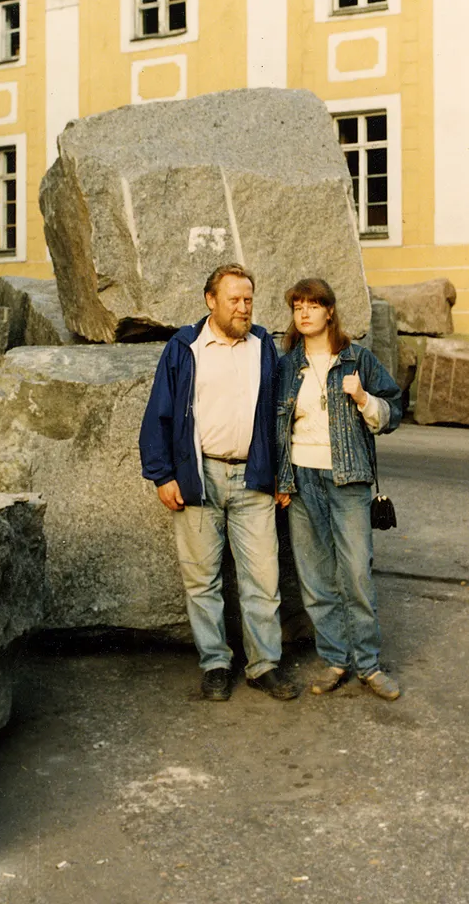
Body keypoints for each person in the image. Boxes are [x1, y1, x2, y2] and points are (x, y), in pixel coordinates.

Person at [139, 263, 299, 702]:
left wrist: (283, 475)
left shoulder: (263, 345)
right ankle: (215, 664)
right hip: (199, 477)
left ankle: (264, 665)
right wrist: (162, 475)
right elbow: (159, 413)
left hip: (254, 478)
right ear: (211, 300)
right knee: (201, 580)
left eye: (248, 299)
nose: (244, 307)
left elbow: (280, 416)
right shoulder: (184, 346)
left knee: (263, 580)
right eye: (234, 300)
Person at [276, 278, 403, 699]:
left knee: (356, 574)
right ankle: (334, 660)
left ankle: (367, 665)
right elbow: (274, 427)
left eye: (314, 305)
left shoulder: (357, 360)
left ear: (330, 311)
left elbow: (394, 410)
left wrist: (364, 399)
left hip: (348, 479)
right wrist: (281, 479)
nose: (305, 313)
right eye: (298, 307)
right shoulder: (285, 365)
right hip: (301, 477)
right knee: (315, 578)